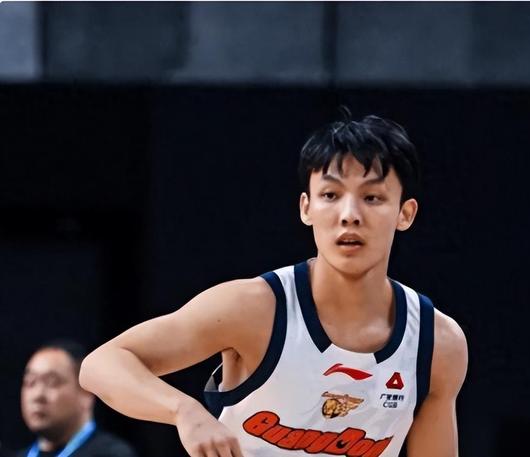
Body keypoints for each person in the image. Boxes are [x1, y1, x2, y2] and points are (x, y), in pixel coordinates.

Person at [80, 112, 468, 457]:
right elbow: (102, 363)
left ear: (405, 213)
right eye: (330, 195)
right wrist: (184, 411)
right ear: (306, 208)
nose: (349, 214)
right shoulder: (254, 308)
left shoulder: (437, 343)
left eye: (372, 197)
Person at [18, 340, 138, 457]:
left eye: (52, 382)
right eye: (30, 382)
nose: (38, 395)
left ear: (86, 392)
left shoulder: (112, 453)